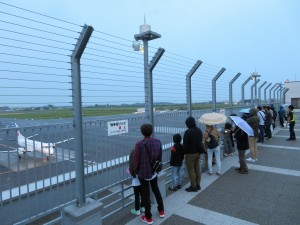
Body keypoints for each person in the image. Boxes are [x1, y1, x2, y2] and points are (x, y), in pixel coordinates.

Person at [134, 124, 164, 224]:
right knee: (156, 190)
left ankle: (148, 217)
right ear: (151, 131)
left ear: (142, 132)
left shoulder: (139, 144)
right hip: (154, 171)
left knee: (146, 194)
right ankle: (161, 211)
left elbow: (137, 160)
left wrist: (136, 171)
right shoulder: (157, 141)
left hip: (144, 172)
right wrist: (156, 168)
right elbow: (159, 157)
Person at [183, 116, 204, 192]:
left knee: (191, 170)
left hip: (190, 154)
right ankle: (198, 184)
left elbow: (185, 145)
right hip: (198, 152)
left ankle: (193, 186)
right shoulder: (199, 130)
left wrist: (184, 153)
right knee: (197, 169)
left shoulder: (188, 132)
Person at [128, 149, 145, 215]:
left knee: (137, 196)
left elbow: (131, 173)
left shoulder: (132, 166)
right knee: (143, 194)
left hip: (135, 182)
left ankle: (137, 210)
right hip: (143, 181)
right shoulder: (142, 161)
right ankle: (143, 207)